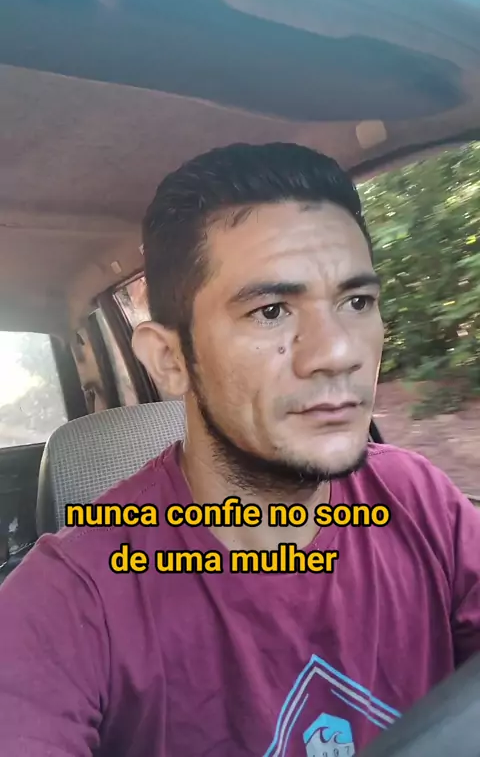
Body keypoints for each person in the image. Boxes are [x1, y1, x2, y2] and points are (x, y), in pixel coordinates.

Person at [0, 143, 479, 757]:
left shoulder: (418, 497)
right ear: (170, 360)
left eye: (357, 302)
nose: (338, 352)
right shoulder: (70, 599)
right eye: (271, 311)